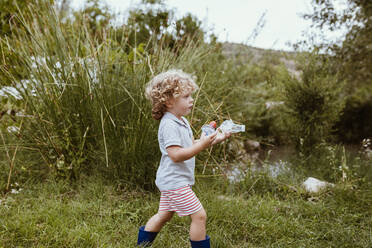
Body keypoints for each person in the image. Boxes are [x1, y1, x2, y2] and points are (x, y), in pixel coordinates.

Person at [137, 69, 231, 247]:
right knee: (199, 215)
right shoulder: (169, 124)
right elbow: (176, 155)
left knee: (164, 215)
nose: (191, 100)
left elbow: (188, 145)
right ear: (169, 101)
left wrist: (215, 139)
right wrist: (201, 145)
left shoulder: (180, 120)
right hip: (175, 182)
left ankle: (142, 246)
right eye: (186, 96)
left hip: (172, 180)